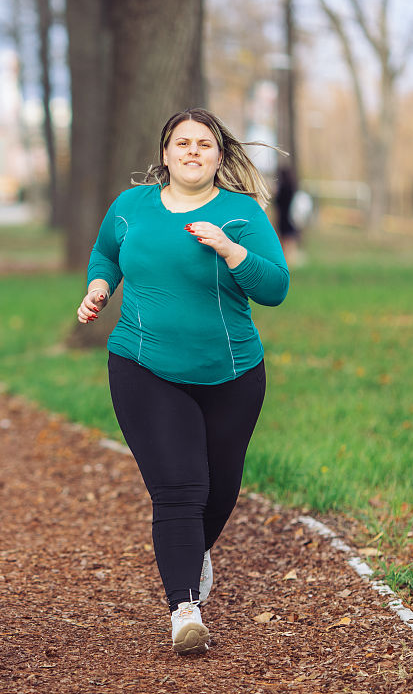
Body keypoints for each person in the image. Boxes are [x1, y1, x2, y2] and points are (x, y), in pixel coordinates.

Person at [75, 107, 289, 655]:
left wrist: (229, 249)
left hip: (233, 373)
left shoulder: (241, 213)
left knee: (219, 491)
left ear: (219, 157)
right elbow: (106, 253)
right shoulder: (130, 208)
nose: (192, 151)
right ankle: (184, 609)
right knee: (179, 488)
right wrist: (100, 287)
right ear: (165, 154)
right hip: (143, 365)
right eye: (182, 143)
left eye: (204, 144)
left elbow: (276, 288)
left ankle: (190, 554)